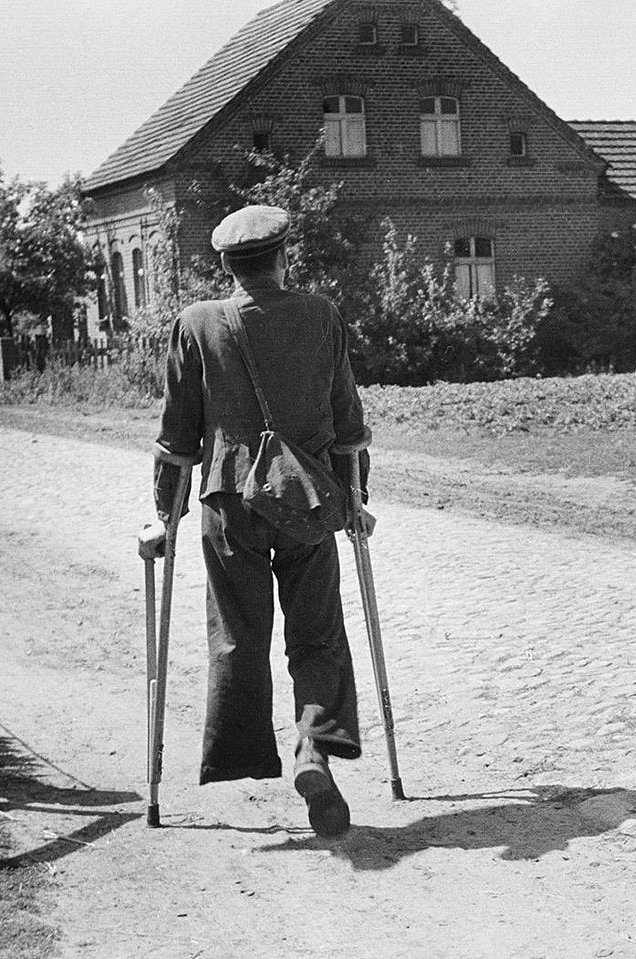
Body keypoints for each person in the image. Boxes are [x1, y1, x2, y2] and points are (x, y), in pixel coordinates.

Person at [145, 204, 374, 836]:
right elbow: (348, 427)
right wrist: (355, 500)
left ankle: (243, 754)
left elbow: (177, 438)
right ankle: (315, 750)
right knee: (318, 633)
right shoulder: (321, 315)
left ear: (226, 264)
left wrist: (165, 514)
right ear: (283, 258)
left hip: (229, 503)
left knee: (239, 635)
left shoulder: (195, 324)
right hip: (306, 499)